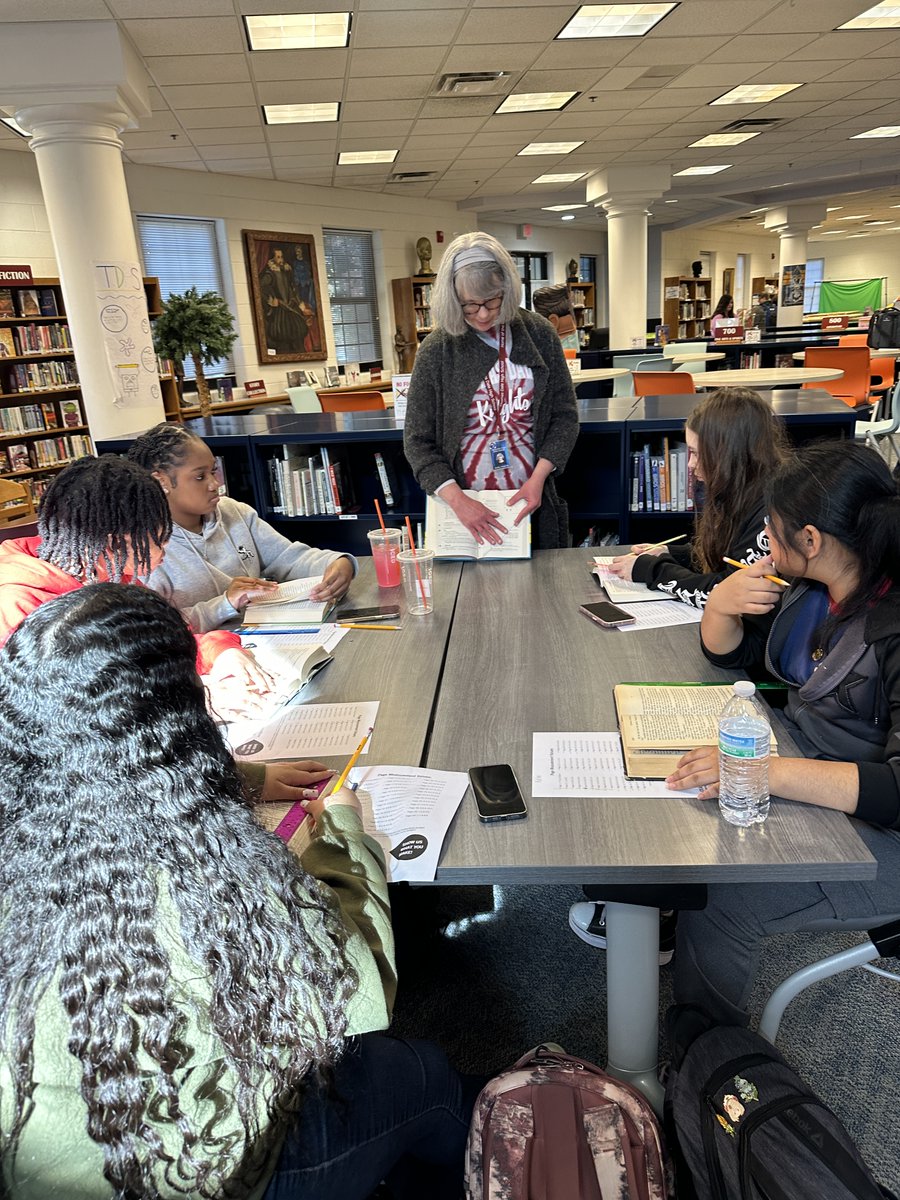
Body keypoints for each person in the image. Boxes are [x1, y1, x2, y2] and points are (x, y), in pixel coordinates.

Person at [0, 584, 471, 1198]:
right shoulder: (206, 887)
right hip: (218, 1176)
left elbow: (90, 760)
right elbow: (362, 992)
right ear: (178, 725)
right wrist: (345, 831)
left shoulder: (30, 842)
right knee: (424, 1074)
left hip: (47, 1174)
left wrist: (247, 776)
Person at [666, 441, 900, 1026]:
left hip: (881, 838)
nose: (764, 542)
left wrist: (757, 771)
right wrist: (720, 607)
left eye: (772, 529)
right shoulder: (819, 589)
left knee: (720, 901)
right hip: (810, 774)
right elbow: (747, 659)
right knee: (684, 833)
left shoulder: (892, 629)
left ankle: (708, 1054)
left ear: (813, 540)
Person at [403, 231, 580, 549]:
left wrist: (538, 478)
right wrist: (458, 501)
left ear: (507, 289)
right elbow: (418, 442)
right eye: (470, 306)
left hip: (531, 505)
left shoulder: (539, 334)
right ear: (453, 298)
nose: (482, 314)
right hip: (463, 516)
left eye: (492, 301)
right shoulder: (437, 350)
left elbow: (564, 417)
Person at [127, 423, 355, 632]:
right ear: (161, 482)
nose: (215, 484)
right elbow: (161, 630)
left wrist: (337, 563)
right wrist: (225, 603)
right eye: (200, 477)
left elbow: (287, 557)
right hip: (209, 659)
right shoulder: (144, 550)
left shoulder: (232, 511)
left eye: (213, 471)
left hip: (267, 636)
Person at [605, 388, 790, 609]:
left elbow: (728, 591)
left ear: (729, 455)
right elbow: (732, 557)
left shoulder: (772, 512)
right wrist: (671, 553)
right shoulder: (745, 488)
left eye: (697, 454)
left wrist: (651, 569)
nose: (690, 465)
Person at [260, 245, 308, 355]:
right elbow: (261, 288)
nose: (280, 260)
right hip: (280, 309)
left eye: (281, 257)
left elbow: (293, 287)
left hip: (291, 305)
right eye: (278, 257)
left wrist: (298, 301)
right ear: (273, 259)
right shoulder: (269, 274)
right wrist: (271, 300)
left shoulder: (287, 271)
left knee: (298, 330)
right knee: (282, 333)